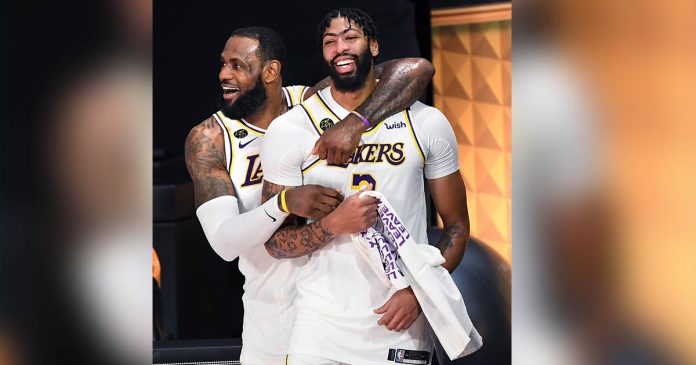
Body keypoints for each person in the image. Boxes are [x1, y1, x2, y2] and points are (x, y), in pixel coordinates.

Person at [184, 26, 434, 365]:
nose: (223, 75)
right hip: (271, 313)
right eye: (223, 64)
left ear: (270, 71)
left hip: (338, 310)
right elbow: (225, 244)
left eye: (237, 65)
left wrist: (356, 122)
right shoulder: (210, 138)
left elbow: (417, 68)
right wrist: (284, 203)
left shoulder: (311, 104)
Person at [260, 8, 471, 365]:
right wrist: (333, 224)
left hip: (400, 319)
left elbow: (457, 226)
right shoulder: (291, 129)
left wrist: (420, 293)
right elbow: (274, 243)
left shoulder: (427, 122)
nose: (340, 48)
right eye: (330, 42)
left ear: (373, 46)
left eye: (350, 37)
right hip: (319, 322)